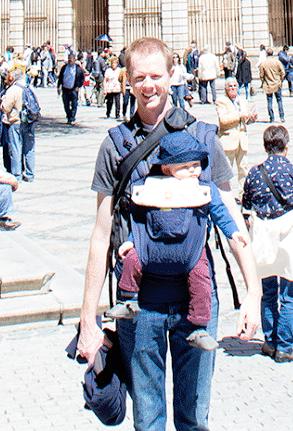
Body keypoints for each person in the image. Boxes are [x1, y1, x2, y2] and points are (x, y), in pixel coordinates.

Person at [77, 37, 260, 431]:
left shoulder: (204, 137)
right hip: (139, 305)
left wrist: (254, 293)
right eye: (139, 77)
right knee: (148, 419)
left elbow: (230, 216)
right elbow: (101, 233)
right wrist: (87, 319)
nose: (149, 85)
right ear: (127, 80)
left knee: (194, 418)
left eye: (156, 76)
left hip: (198, 299)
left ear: (172, 75)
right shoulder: (115, 146)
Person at [106, 131, 246, 352]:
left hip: (191, 250)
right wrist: (132, 241)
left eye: (196, 165)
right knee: (132, 260)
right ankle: (128, 300)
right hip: (150, 247)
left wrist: (232, 232)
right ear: (166, 168)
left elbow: (219, 211)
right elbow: (142, 220)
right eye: (184, 167)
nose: (193, 170)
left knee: (201, 276)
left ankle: (199, 325)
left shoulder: (204, 188)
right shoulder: (152, 186)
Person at [241, 124, 293, 364]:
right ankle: (284, 345)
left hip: (263, 237)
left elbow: (245, 204)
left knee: (267, 292)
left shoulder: (254, 174)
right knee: (291, 292)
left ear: (265, 147)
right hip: (291, 237)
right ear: (286, 146)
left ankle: (270, 340)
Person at [215, 76, 256, 190]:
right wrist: (239, 114)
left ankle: (242, 194)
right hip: (228, 140)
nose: (233, 88)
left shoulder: (243, 100)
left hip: (242, 139)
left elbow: (245, 120)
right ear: (226, 89)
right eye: (230, 86)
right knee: (227, 170)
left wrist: (252, 118)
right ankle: (227, 194)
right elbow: (223, 120)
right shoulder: (221, 101)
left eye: (235, 86)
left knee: (243, 168)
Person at [258, 47, 285, 123]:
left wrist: (263, 82)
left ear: (266, 54)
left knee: (269, 101)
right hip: (277, 84)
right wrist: (280, 80)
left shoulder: (264, 63)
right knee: (279, 100)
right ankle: (282, 116)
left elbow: (261, 75)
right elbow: (283, 72)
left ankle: (272, 118)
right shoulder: (277, 62)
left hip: (268, 85)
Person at [58, 50, 83, 127]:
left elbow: (82, 78)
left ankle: (72, 118)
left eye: (71, 59)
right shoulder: (64, 67)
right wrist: (59, 87)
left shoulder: (78, 68)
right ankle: (68, 117)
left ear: (74, 59)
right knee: (66, 104)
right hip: (65, 89)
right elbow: (60, 78)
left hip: (73, 89)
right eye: (69, 59)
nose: (70, 60)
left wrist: (78, 86)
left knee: (74, 104)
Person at [105, 54, 125, 120]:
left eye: (115, 63)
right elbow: (105, 80)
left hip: (117, 88)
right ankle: (108, 113)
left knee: (118, 102)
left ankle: (117, 114)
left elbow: (122, 79)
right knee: (109, 101)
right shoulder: (108, 70)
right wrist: (105, 89)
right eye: (112, 63)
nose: (113, 65)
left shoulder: (119, 70)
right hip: (110, 88)